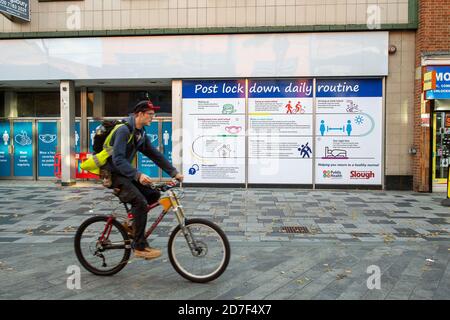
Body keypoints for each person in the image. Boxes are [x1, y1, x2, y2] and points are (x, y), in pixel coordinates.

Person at [106, 100, 184, 260]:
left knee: (153, 195)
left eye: (153, 114)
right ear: (139, 114)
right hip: (114, 174)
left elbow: (155, 154)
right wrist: (138, 175)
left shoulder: (140, 133)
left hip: (125, 173)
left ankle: (133, 225)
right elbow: (118, 159)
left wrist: (173, 172)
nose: (152, 117)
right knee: (140, 202)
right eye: (150, 114)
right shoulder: (123, 130)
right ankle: (140, 247)